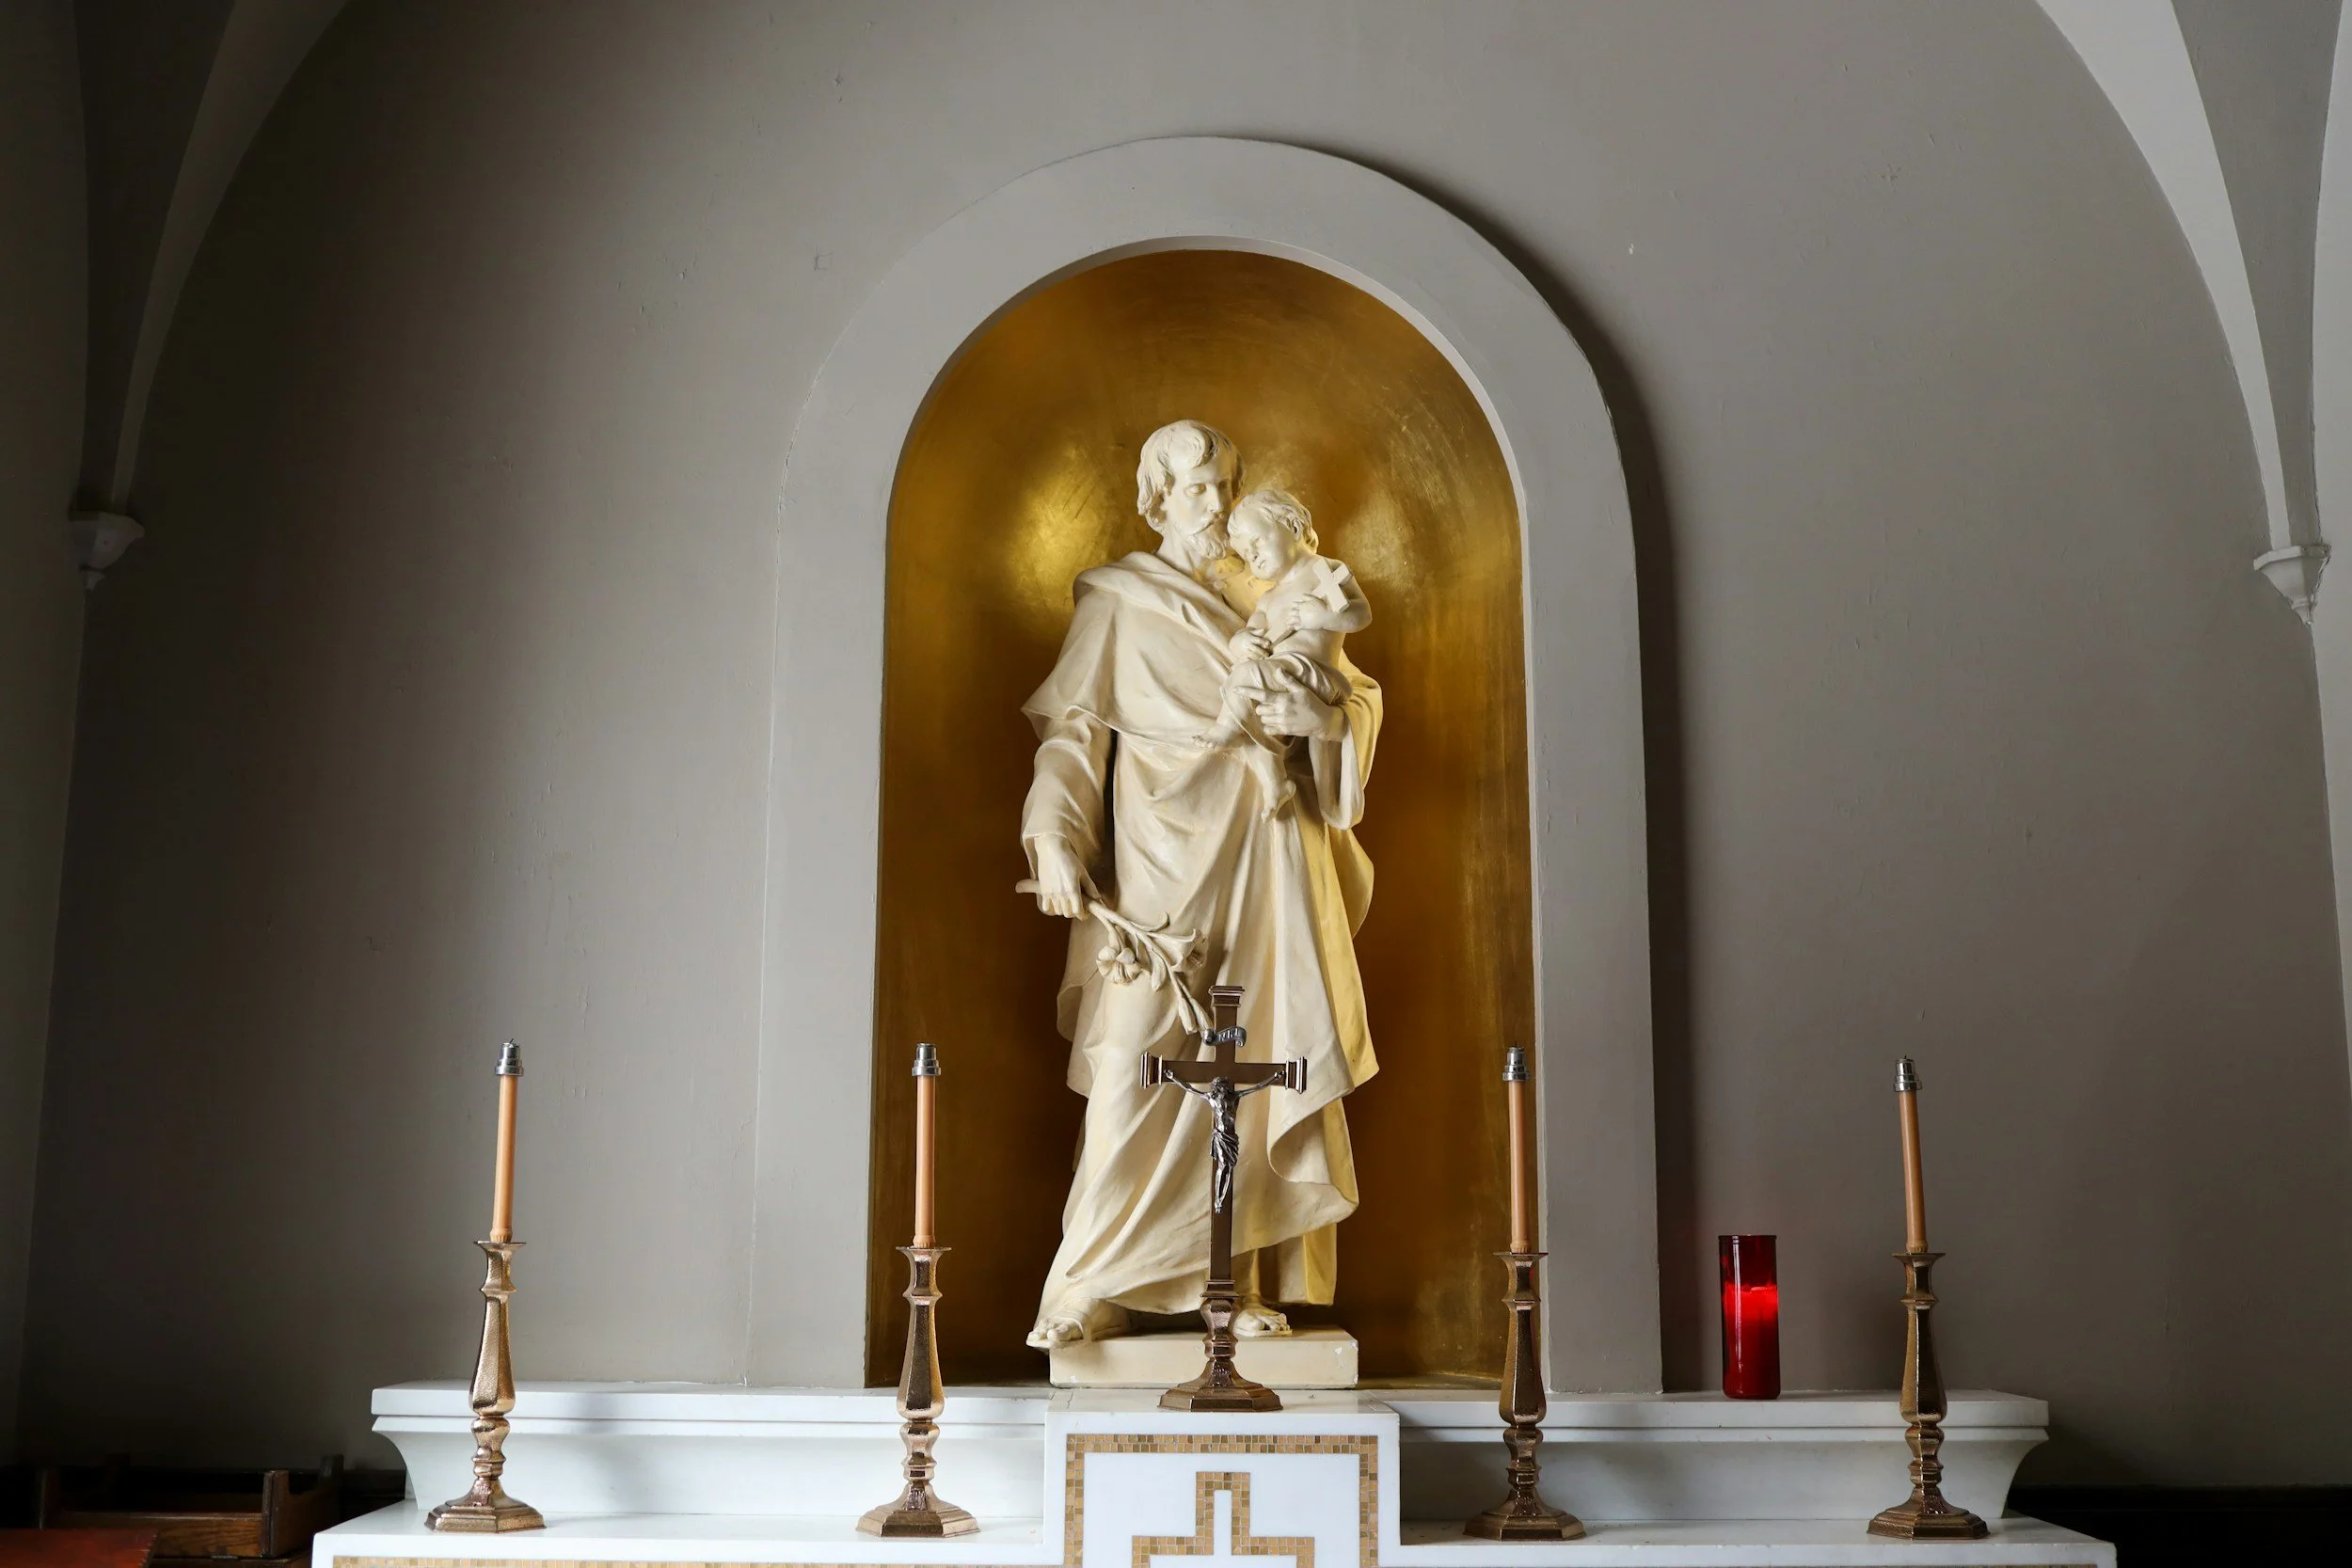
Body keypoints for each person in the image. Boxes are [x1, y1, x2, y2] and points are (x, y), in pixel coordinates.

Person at [1020, 420, 1382, 1352]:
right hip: (1157, 867)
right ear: (1155, 500)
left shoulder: (1274, 586)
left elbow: (1348, 690)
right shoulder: (1117, 600)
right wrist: (1053, 838)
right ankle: (1094, 1275)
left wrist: (1325, 722)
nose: (1215, 504)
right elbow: (1072, 734)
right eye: (1193, 489)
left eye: (1225, 484)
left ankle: (1235, 1274)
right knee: (1135, 1063)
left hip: (1268, 857)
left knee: (1256, 1066)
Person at [1194, 487, 1372, 817]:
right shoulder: (1269, 598)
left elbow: (1362, 614)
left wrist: (1325, 617)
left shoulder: (1326, 572)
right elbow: (1253, 630)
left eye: (1257, 543)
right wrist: (1240, 643)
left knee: (1246, 679)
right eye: (1246, 555)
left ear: (1291, 526)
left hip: (1316, 676)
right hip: (1284, 676)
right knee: (1252, 710)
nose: (1253, 558)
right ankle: (1275, 781)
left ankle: (1225, 726)